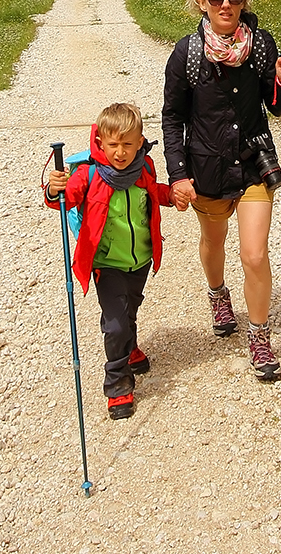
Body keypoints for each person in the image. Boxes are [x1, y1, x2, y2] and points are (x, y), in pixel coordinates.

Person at [161, 0, 281, 382]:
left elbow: (275, 108)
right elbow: (171, 117)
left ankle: (259, 337)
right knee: (213, 240)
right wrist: (178, 173)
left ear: (243, 1)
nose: (226, 4)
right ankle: (218, 294)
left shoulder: (260, 45)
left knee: (255, 254)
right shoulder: (186, 53)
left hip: (255, 163)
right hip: (206, 166)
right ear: (202, 1)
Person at [43, 103, 173, 420]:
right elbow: (64, 199)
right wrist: (53, 189)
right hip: (106, 262)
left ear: (140, 142)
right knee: (115, 322)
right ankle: (118, 382)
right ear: (100, 142)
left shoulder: (144, 169)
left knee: (129, 307)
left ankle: (129, 348)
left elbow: (153, 192)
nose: (120, 152)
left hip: (140, 258)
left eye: (128, 144)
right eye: (113, 144)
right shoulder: (89, 174)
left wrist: (173, 196)